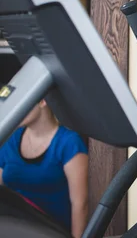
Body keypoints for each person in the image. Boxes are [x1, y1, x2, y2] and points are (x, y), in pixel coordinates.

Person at [0, 98, 89, 238]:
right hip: (13, 225)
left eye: (21, 102)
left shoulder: (69, 142)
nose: (15, 109)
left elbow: (80, 204)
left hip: (49, 230)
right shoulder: (13, 138)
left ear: (42, 101)